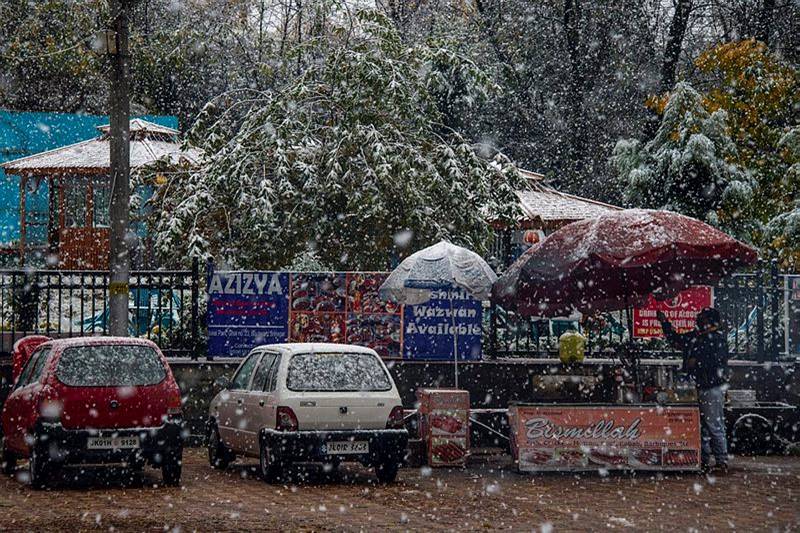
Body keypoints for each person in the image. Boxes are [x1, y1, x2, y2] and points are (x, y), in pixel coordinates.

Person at [657, 307, 729, 473]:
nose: (699, 322)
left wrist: (695, 362)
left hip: (711, 387)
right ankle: (702, 459)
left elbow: (712, 362)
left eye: (702, 319)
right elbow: (676, 340)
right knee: (701, 425)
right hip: (698, 386)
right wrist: (665, 323)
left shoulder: (716, 339)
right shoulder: (698, 337)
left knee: (713, 424)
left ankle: (721, 460)